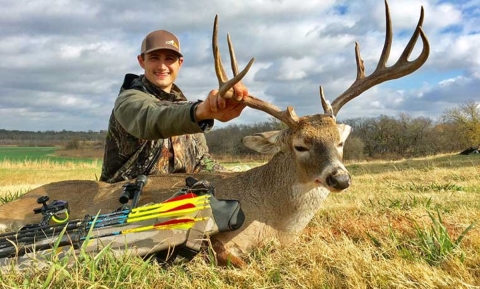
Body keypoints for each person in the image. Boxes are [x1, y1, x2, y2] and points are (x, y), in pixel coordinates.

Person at [100, 29, 248, 183]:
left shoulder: (186, 108)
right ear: (141, 61)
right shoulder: (128, 100)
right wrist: (200, 111)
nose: (162, 66)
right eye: (154, 58)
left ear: (180, 63)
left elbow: (202, 162)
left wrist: (241, 180)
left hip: (177, 199)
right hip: (123, 200)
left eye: (169, 59)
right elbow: (152, 117)